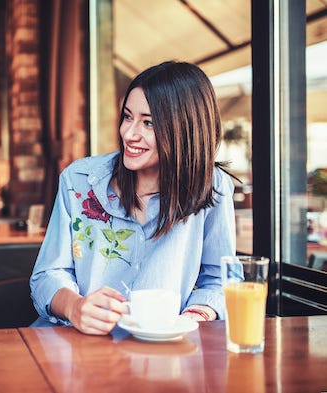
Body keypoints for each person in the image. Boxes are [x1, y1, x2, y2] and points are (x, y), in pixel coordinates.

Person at [30, 61, 236, 335]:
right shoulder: (78, 180)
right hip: (78, 346)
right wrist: (74, 307)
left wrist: (191, 318)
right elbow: (47, 274)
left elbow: (221, 280)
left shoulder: (212, 187)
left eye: (148, 123)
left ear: (185, 129)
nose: (129, 133)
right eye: (128, 117)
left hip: (165, 354)